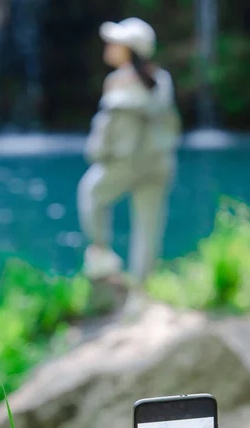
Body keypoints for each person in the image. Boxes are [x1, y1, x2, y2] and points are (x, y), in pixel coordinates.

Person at [77, 17, 180, 315]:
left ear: (129, 49)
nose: (109, 46)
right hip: (160, 164)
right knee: (149, 227)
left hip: (125, 164)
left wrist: (97, 154)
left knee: (91, 193)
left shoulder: (118, 82)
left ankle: (102, 256)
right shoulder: (161, 80)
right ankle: (141, 294)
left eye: (115, 42)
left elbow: (106, 134)